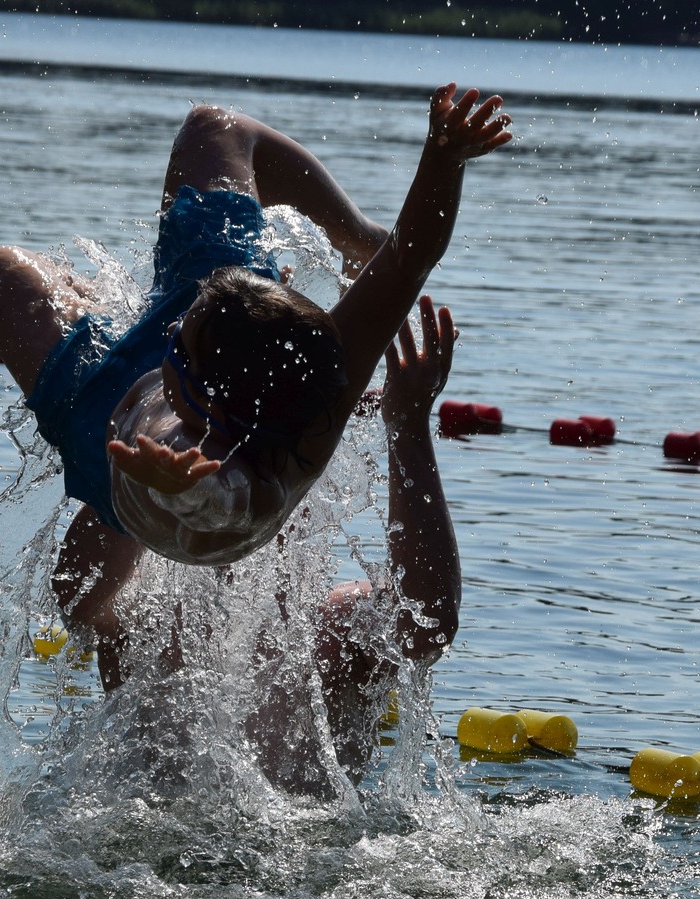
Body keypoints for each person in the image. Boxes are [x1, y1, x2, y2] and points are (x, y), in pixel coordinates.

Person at [0, 85, 509, 584]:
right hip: (225, 305)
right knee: (215, 127)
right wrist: (444, 158)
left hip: (101, 423)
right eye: (184, 323)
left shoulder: (236, 482)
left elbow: (217, 500)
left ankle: (112, 326)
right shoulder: (318, 361)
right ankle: (353, 236)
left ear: (209, 401)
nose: (171, 327)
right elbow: (410, 260)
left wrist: (175, 485)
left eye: (178, 339)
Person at [56, 295, 463, 794]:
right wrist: (141, 483)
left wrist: (408, 427)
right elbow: (76, 598)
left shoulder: (331, 632)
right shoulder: (149, 617)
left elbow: (428, 623)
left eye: (284, 481)